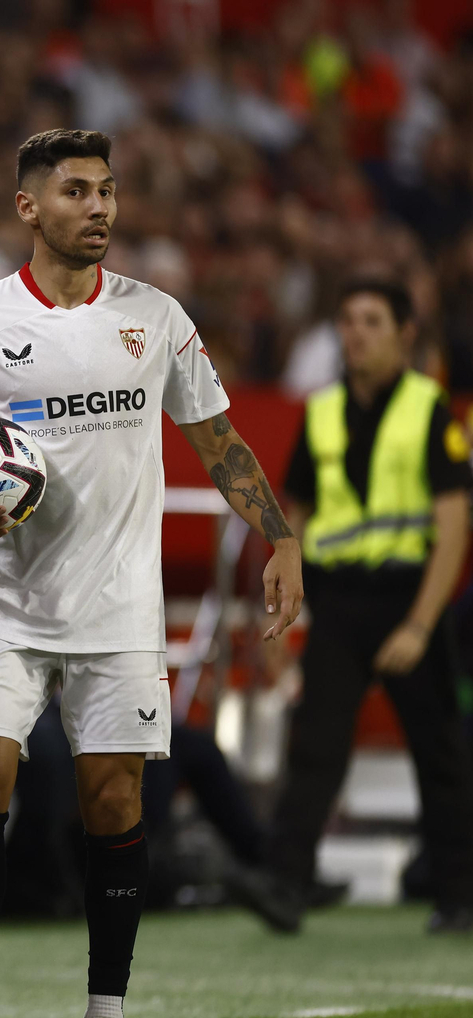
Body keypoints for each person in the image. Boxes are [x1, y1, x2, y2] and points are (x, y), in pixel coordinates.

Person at [0, 128, 304, 1018]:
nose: (100, 208)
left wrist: (279, 537)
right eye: (77, 191)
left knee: (114, 800)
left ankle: (105, 1007)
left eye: (108, 191)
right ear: (28, 207)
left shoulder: (156, 318)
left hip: (120, 607)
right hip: (3, 602)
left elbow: (219, 442)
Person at [268, 278, 473, 934]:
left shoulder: (429, 407)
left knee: (438, 754)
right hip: (340, 604)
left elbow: (454, 524)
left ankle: (459, 897)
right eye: (348, 320)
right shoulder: (321, 411)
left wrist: (420, 622)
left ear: (405, 333)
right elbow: (293, 511)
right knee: (315, 748)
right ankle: (287, 888)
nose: (355, 333)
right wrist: (283, 600)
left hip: (408, 598)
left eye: (372, 321)